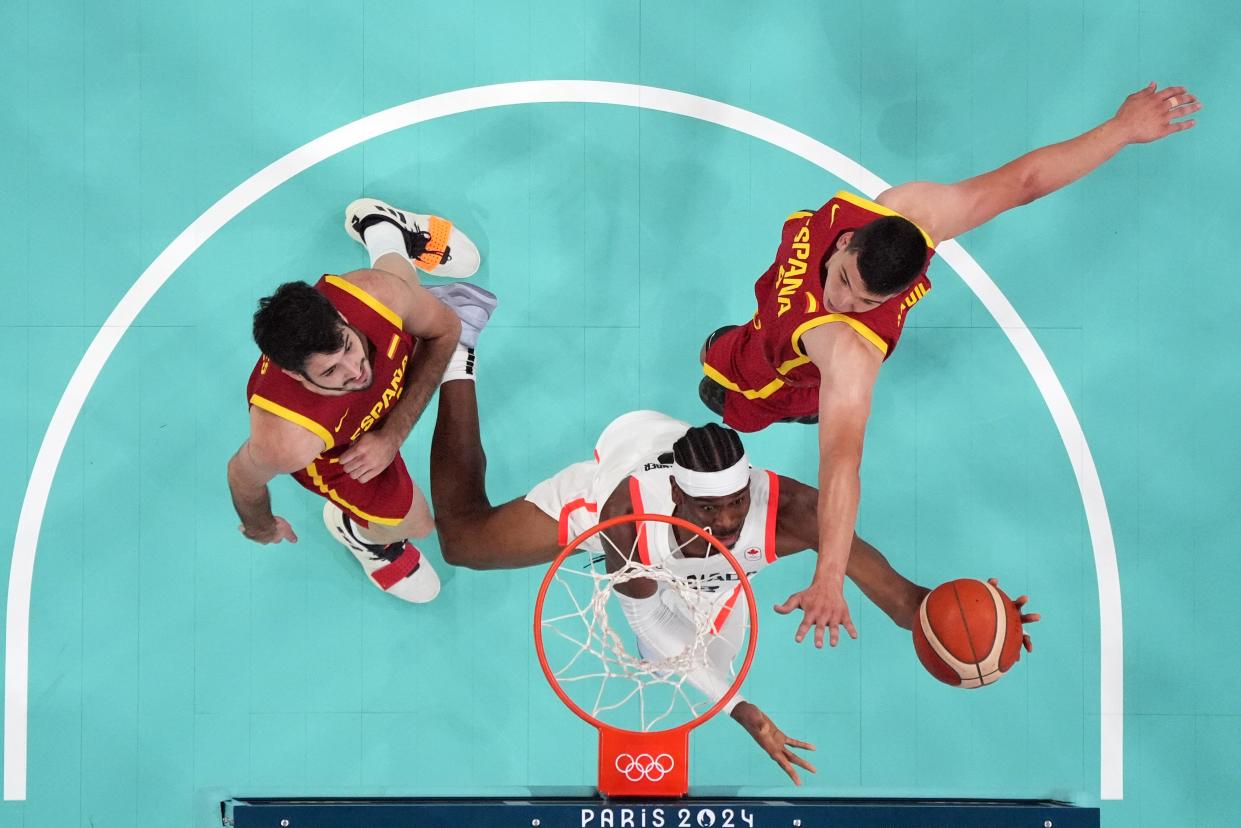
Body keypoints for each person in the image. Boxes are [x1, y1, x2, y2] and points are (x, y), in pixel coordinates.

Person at [699, 82, 1200, 648]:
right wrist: (1122, 127)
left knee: (736, 409)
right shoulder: (902, 209)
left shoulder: (849, 351)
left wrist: (830, 578)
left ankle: (800, 407)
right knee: (719, 361)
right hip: (756, 334)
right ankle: (772, 383)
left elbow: (841, 465)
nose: (847, 304)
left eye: (868, 303)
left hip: (780, 379)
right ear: (848, 242)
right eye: (844, 282)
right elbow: (1023, 182)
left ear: (907, 285)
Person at [428, 371, 1038, 783]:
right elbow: (646, 614)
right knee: (462, 543)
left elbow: (908, 603)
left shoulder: (794, 513)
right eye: (707, 513)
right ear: (676, 496)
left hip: (701, 567)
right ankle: (458, 357)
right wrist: (743, 709)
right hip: (613, 469)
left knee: (677, 659)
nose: (723, 524)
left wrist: (981, 616)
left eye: (736, 508)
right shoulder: (623, 516)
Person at [226, 197, 497, 602]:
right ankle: (358, 532)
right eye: (330, 371)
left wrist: (392, 435)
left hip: (378, 418)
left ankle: (386, 228)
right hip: (341, 452)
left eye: (348, 346)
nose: (355, 370)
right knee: (420, 523)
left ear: (341, 318)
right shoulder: (287, 439)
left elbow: (445, 330)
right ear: (294, 375)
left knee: (398, 286)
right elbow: (242, 477)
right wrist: (260, 526)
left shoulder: (372, 295)